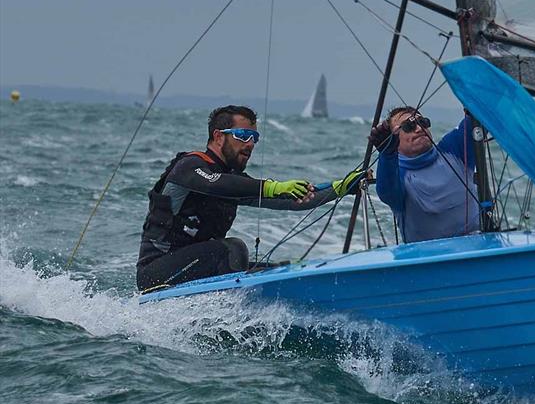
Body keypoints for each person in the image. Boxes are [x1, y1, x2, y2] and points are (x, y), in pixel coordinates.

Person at [137, 105, 361, 291]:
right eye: (243, 136)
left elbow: (290, 201)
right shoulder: (189, 167)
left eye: (254, 137)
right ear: (218, 136)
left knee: (279, 270)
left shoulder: (233, 179)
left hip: (196, 266)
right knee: (234, 249)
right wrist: (271, 187)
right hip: (156, 275)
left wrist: (339, 188)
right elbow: (216, 183)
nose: (250, 144)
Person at [369, 106, 479, 243]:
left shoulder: (453, 150)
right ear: (394, 139)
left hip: (478, 244)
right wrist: (387, 154)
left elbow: (481, 114)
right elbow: (386, 192)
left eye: (423, 122)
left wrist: (472, 104)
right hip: (428, 258)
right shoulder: (397, 176)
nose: (419, 129)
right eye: (409, 126)